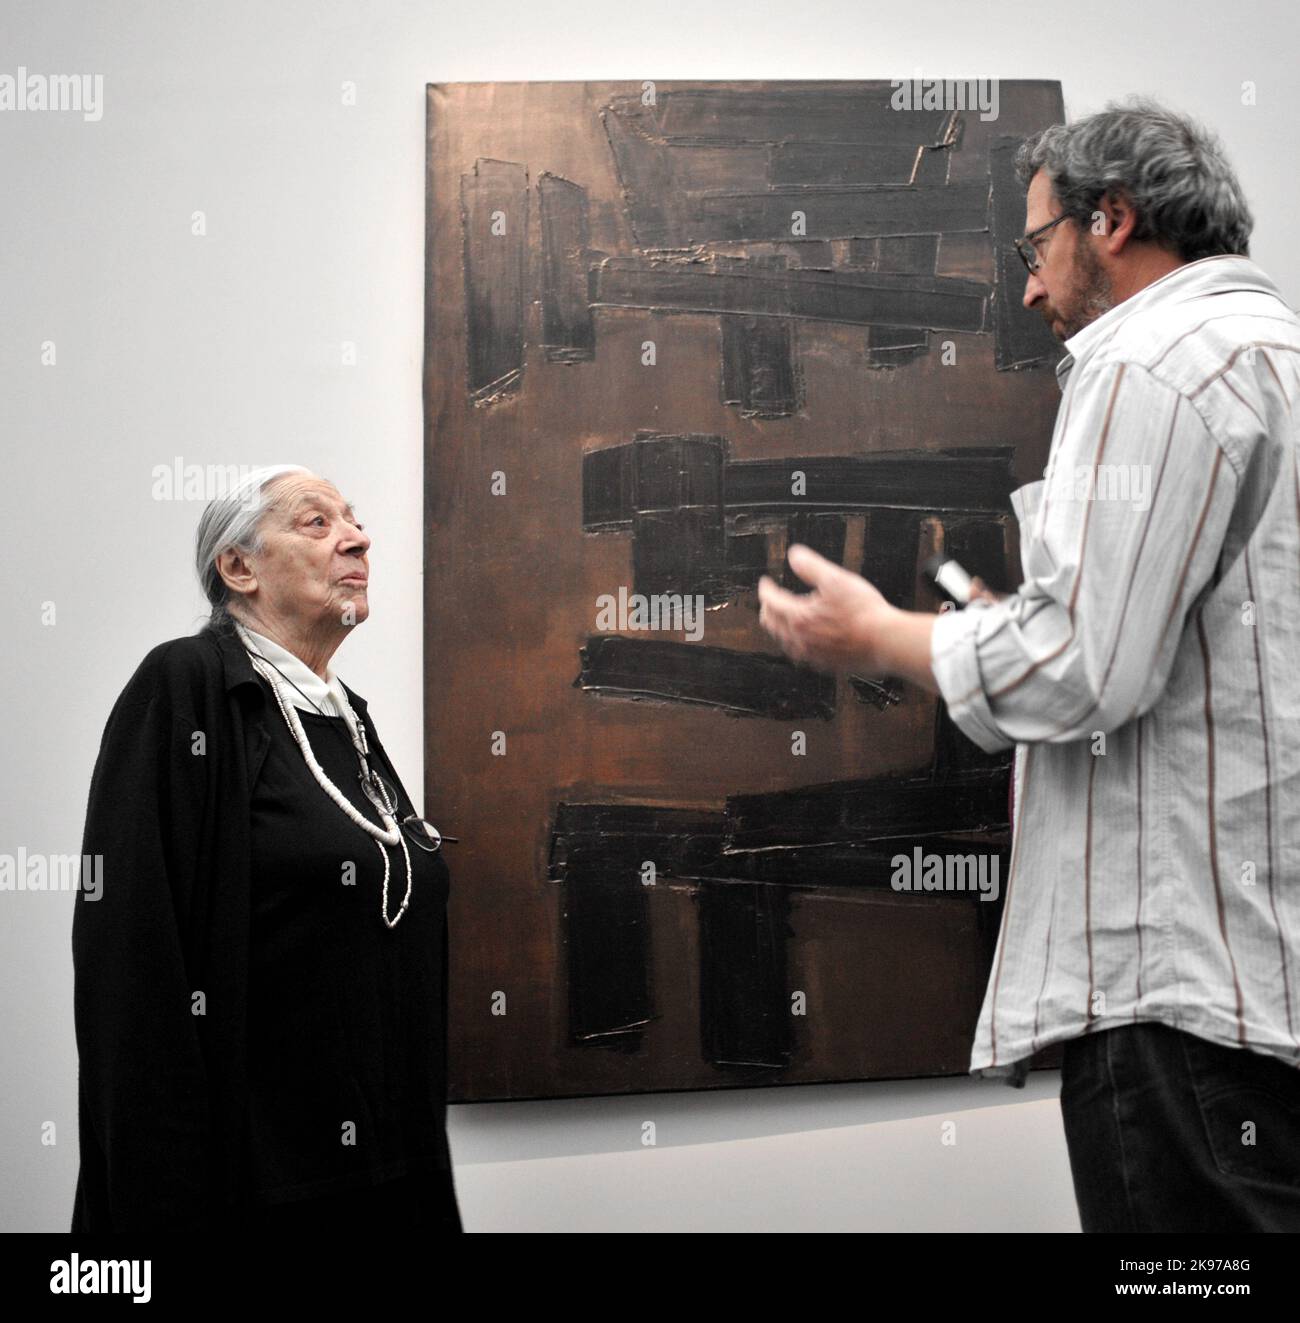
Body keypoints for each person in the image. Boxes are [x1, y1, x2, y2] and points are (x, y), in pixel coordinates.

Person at [757, 98, 1300, 1232]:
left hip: (1172, 990)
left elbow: (1087, 667)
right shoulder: (1275, 363)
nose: (1026, 287)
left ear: (1111, 219)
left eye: (1031, 245)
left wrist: (882, 638)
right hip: (1259, 987)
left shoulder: (1146, 360)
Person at [71, 464, 461, 1232]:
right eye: (316, 523)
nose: (359, 536)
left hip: (389, 1184)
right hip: (252, 1198)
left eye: (352, 519)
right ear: (238, 567)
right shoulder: (188, 687)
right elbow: (132, 965)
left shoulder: (345, 718)